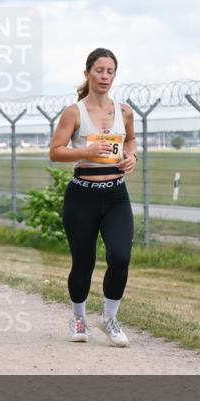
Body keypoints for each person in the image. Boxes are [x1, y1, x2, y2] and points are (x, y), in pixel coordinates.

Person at [48, 48, 136, 347]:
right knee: (83, 262)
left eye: (110, 71)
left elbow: (131, 140)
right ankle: (78, 318)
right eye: (99, 70)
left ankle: (110, 319)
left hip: (116, 196)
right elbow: (55, 152)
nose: (105, 76)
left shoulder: (124, 111)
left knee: (120, 257)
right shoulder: (74, 112)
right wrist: (85, 151)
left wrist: (132, 157)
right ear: (87, 73)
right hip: (82, 196)